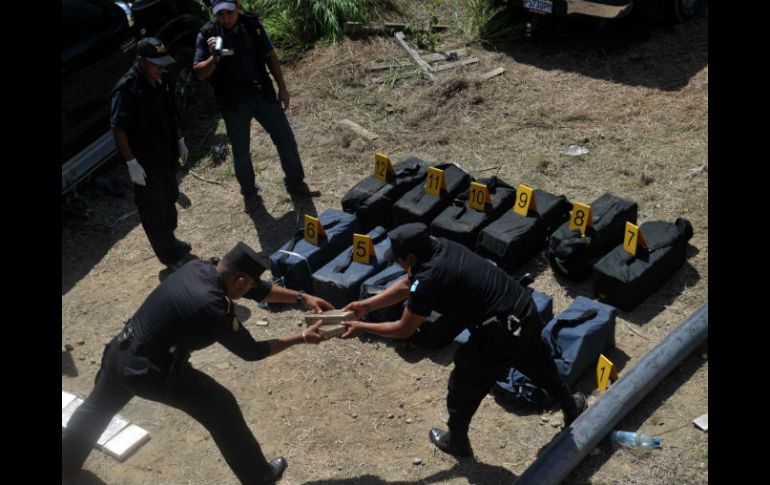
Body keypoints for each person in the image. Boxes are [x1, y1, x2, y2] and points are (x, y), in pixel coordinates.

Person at [62, 241, 334, 484]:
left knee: (95, 410)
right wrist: (302, 337)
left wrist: (302, 298)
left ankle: (65, 467)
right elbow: (251, 351)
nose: (251, 288)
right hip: (151, 372)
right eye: (248, 283)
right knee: (222, 408)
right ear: (239, 280)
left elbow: (258, 290)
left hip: (121, 351)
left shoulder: (200, 268)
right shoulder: (212, 306)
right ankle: (259, 478)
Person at [340, 223, 587, 458]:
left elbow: (404, 329)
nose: (396, 262)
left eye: (398, 258)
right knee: (535, 360)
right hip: (523, 310)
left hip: (498, 332)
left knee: (463, 384)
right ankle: (570, 404)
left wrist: (363, 327)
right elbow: (408, 283)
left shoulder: (429, 278)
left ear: (411, 258)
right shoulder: (440, 245)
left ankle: (457, 440)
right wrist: (366, 305)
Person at [192, 0, 318, 214]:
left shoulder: (251, 24)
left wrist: (283, 88)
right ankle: (249, 193)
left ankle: (296, 184)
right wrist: (214, 58)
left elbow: (270, 55)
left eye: (229, 12)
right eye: (220, 13)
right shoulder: (207, 35)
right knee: (241, 153)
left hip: (262, 94)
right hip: (233, 103)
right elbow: (199, 73)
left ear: (237, 7)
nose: (225, 17)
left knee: (285, 139)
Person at [112, 37, 192, 273]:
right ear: (140, 61)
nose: (161, 68)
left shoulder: (162, 79)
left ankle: (171, 242)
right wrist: (131, 163)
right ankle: (169, 257)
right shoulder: (127, 89)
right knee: (153, 209)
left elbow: (171, 112)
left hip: (165, 154)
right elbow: (118, 129)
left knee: (169, 199)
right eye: (156, 64)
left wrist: (179, 140)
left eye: (162, 64)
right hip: (145, 162)